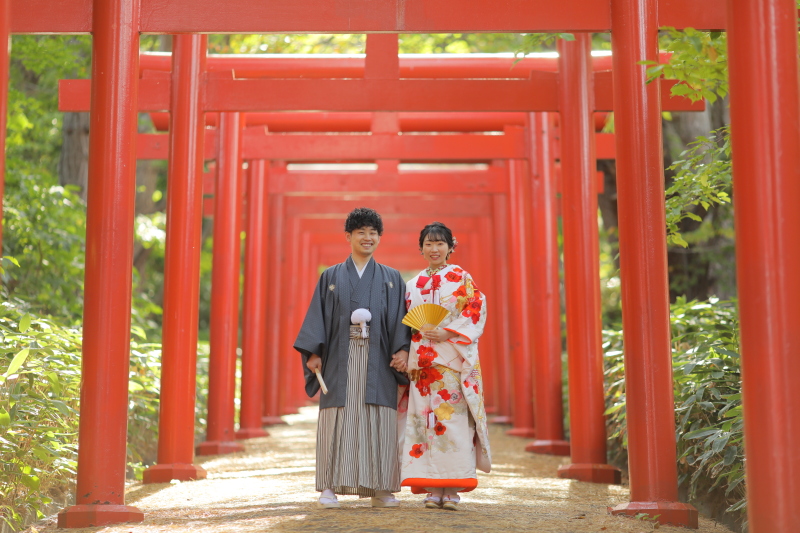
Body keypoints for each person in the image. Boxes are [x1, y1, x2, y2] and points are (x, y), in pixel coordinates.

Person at [294, 207, 411, 509]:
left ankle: (382, 487)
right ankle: (328, 487)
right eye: (361, 232)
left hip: (379, 359)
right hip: (339, 359)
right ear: (348, 236)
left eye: (373, 233)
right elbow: (317, 318)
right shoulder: (331, 276)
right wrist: (314, 352)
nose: (368, 237)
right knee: (338, 420)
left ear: (379, 238)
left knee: (379, 421)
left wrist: (402, 349)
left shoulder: (391, 278)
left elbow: (400, 319)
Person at [392, 221, 491, 511]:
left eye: (440, 243)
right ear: (421, 248)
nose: (434, 249)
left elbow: (475, 308)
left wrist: (449, 332)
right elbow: (407, 323)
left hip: (450, 362)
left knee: (453, 422)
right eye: (429, 244)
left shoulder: (461, 277)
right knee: (424, 424)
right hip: (423, 367)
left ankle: (452, 488)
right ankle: (432, 487)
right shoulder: (413, 284)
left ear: (450, 247)